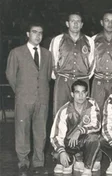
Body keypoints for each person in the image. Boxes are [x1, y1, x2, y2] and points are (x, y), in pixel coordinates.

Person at [6, 22, 52, 176]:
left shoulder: (47, 54)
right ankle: (23, 162)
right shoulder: (16, 52)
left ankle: (38, 162)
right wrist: (21, 92)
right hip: (24, 99)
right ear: (27, 34)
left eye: (40, 32)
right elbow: (10, 75)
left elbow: (47, 76)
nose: (38, 35)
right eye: (34, 32)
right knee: (22, 132)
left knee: (41, 132)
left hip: (42, 99)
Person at [50, 80, 101, 176]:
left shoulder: (92, 104)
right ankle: (73, 159)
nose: (81, 96)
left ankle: (87, 168)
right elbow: (55, 136)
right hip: (69, 144)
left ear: (86, 93)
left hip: (84, 141)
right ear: (72, 94)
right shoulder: (64, 110)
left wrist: (79, 131)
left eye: (83, 92)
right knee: (57, 156)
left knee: (94, 138)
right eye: (77, 92)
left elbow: (97, 125)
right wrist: (62, 152)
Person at [49, 12, 95, 116]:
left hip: (82, 80)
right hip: (63, 81)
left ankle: (81, 132)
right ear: (67, 23)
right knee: (60, 112)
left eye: (78, 21)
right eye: (72, 21)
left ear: (82, 24)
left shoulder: (89, 41)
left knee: (83, 113)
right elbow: (52, 61)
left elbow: (93, 63)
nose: (75, 24)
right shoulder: (57, 40)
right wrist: (59, 78)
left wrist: (84, 77)